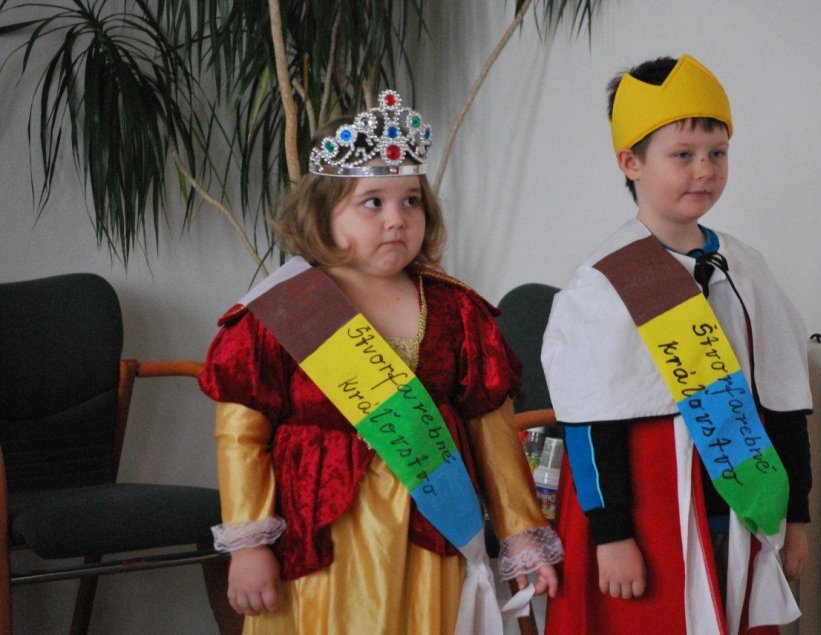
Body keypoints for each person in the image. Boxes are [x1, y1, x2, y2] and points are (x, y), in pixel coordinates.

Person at [199, 90, 562, 635]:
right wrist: (249, 544)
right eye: (373, 202)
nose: (397, 220)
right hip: (321, 540)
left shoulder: (457, 310)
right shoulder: (283, 311)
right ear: (321, 214)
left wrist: (521, 534)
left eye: (411, 201)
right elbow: (241, 437)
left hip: (431, 535)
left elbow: (491, 429)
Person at [541, 55, 813, 634]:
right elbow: (590, 422)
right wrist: (612, 533)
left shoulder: (744, 265)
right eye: (682, 155)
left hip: (738, 503)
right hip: (651, 506)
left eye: (717, 153)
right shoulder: (604, 281)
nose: (704, 170)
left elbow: (784, 400)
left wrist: (797, 515)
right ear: (631, 163)